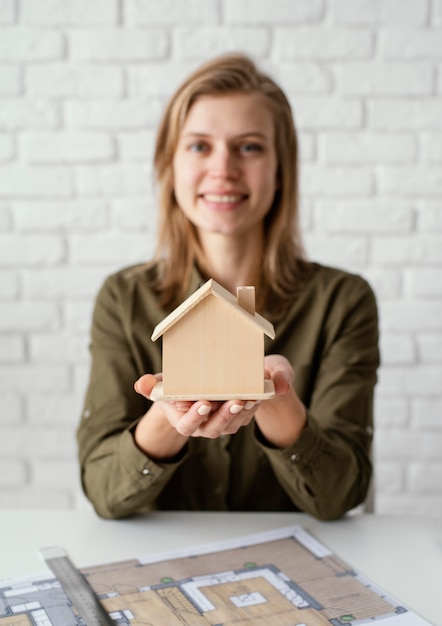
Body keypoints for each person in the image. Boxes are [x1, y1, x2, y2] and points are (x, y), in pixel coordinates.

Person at [77, 53, 379, 520]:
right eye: (199, 146)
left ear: (281, 170)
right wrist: (169, 414)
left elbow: (340, 495)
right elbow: (104, 492)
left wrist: (273, 396)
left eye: (250, 147)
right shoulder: (122, 298)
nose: (223, 169)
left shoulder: (343, 301)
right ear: (170, 165)